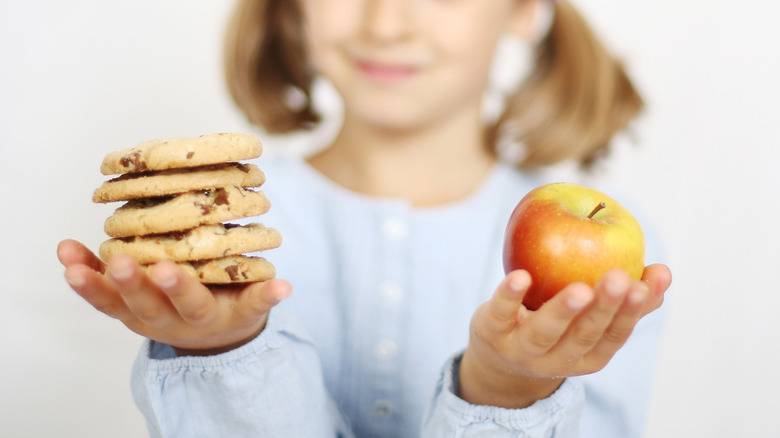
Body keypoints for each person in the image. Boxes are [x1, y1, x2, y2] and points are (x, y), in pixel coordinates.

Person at [58, 0, 672, 436]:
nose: (385, 22)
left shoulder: (610, 263)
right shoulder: (219, 241)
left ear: (523, 8)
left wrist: (508, 392)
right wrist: (222, 352)